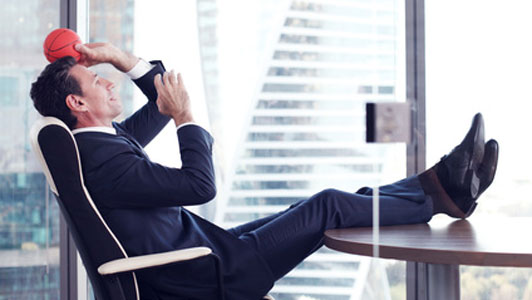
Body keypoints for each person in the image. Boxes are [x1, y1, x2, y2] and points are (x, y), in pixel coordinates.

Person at [30, 42, 499, 300]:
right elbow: (199, 184)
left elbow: (156, 99)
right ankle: (442, 192)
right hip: (208, 276)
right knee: (329, 205)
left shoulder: (97, 146)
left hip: (205, 253)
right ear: (77, 103)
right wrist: (185, 118)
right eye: (97, 82)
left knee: (317, 207)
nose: (108, 82)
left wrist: (117, 58)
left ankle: (442, 185)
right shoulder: (103, 162)